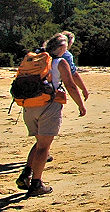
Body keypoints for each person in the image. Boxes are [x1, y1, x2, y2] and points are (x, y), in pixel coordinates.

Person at [16, 33, 87, 197]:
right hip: (48, 105)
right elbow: (70, 85)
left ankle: (26, 173)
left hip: (29, 105)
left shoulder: (36, 59)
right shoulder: (60, 62)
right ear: (62, 47)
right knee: (43, 147)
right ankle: (36, 183)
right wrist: (81, 105)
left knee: (40, 142)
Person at [58, 31, 90, 101]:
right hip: (52, 91)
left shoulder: (43, 50)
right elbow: (74, 75)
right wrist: (84, 89)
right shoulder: (66, 55)